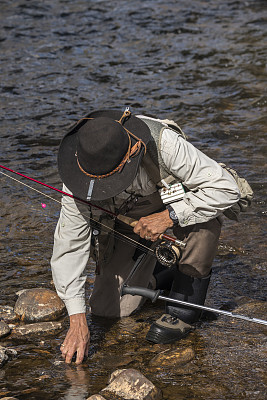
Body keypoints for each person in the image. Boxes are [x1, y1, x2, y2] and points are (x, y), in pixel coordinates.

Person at [51, 108, 240, 364]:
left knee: (206, 221)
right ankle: (162, 274)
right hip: (127, 226)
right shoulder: (80, 172)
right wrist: (76, 318)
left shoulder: (164, 144)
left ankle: (184, 307)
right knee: (107, 312)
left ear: (133, 153)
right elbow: (70, 246)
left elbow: (226, 188)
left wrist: (169, 216)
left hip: (178, 207)